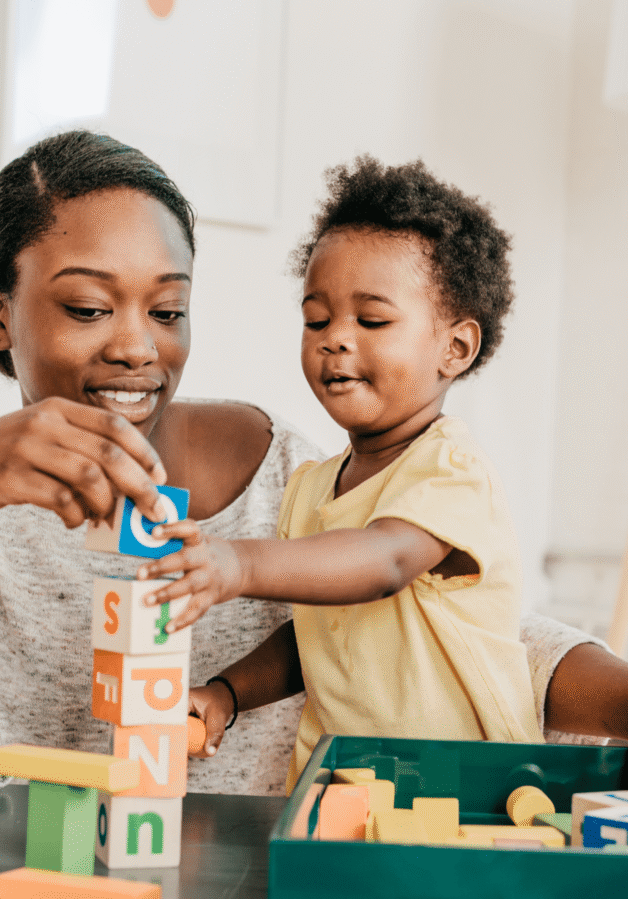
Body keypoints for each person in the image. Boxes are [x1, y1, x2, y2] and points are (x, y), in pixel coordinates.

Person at [0, 131, 628, 816]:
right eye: (84, 308)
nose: (134, 348)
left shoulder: (301, 472)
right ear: (0, 315)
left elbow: (469, 635)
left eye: (167, 311)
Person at [136, 155, 546, 789]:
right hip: (342, 787)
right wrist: (227, 692)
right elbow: (319, 638)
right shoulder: (311, 489)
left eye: (372, 320)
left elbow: (383, 563)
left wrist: (239, 564)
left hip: (466, 792)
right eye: (317, 319)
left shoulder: (451, 470)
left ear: (455, 348)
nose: (335, 339)